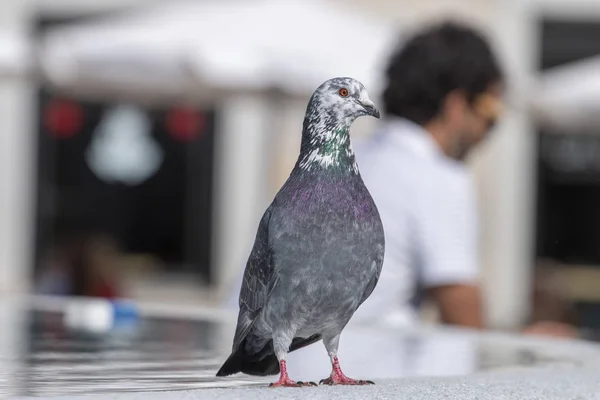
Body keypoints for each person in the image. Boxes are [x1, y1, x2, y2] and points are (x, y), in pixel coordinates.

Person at [352, 20, 577, 337]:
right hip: (359, 374)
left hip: (284, 373)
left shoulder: (344, 159)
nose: (492, 129)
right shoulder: (436, 176)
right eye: (492, 111)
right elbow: (465, 326)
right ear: (457, 105)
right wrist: (527, 345)